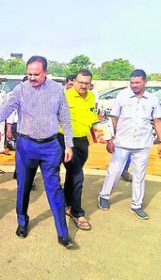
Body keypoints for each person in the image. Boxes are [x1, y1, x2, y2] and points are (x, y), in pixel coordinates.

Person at [0, 56, 75, 248]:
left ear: (45, 72)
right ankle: (22, 221)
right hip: (26, 146)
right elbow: (7, 107)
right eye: (29, 74)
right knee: (24, 186)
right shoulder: (21, 89)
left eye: (36, 74)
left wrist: (68, 144)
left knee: (54, 188)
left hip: (51, 147)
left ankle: (63, 233)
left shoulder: (57, 90)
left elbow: (65, 119)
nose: (32, 78)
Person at [98, 69, 161, 220]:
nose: (134, 85)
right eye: (132, 82)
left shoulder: (153, 99)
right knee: (114, 171)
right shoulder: (122, 96)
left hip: (143, 143)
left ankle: (137, 204)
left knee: (140, 175)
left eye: (137, 83)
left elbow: (157, 121)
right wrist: (109, 139)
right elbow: (114, 119)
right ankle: (104, 196)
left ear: (145, 82)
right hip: (122, 142)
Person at [59, 69, 98, 231]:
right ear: (74, 81)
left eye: (86, 83)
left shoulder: (92, 97)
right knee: (77, 176)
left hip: (83, 141)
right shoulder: (64, 96)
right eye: (80, 82)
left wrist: (99, 136)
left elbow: (93, 118)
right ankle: (77, 212)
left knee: (73, 174)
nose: (83, 86)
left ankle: (67, 204)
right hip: (65, 140)